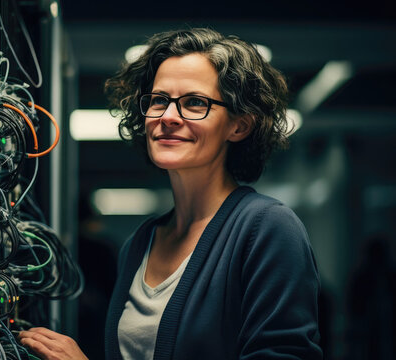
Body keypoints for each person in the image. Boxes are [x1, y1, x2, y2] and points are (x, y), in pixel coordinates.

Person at [18, 27, 322, 359]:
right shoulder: (141, 242)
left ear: (240, 125)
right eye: (159, 100)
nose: (168, 116)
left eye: (194, 103)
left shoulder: (267, 228)